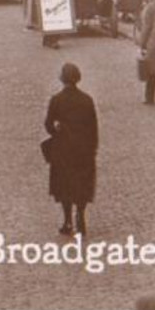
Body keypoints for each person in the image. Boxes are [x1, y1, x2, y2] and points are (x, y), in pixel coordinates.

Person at [44, 62, 98, 236]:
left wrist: (56, 130)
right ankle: (80, 216)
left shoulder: (57, 100)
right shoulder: (87, 100)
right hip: (83, 149)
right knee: (82, 183)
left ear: (62, 79)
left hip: (63, 148)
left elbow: (48, 124)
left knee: (65, 184)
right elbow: (93, 127)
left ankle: (67, 220)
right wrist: (93, 148)